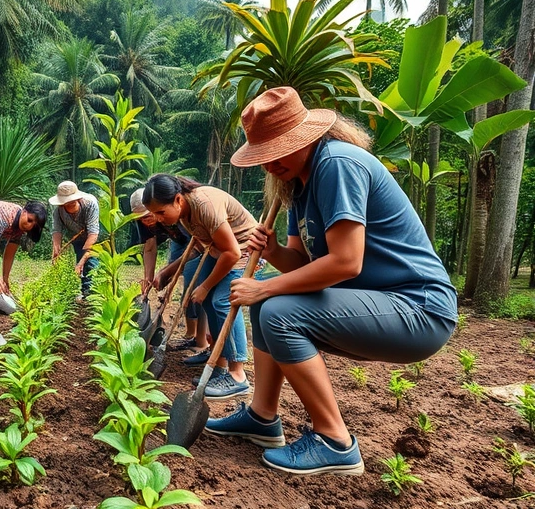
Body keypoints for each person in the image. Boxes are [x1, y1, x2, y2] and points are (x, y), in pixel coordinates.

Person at [206, 86, 457, 475]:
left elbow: (345, 263)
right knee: (268, 306)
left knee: (277, 310)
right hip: (376, 302)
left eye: (276, 152)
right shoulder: (296, 187)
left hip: (418, 308)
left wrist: (264, 286)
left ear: (304, 137)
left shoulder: (337, 164)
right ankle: (261, 417)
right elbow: (301, 266)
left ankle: (335, 442)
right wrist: (272, 251)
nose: (269, 165)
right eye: (263, 156)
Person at [142, 174, 258, 400]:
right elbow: (197, 247)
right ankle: (221, 365)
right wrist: (167, 271)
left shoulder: (204, 205)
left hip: (246, 250)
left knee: (221, 302)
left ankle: (238, 376)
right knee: (204, 300)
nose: (157, 219)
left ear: (177, 199)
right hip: (220, 251)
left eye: (160, 212)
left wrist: (205, 286)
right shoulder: (184, 213)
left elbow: (232, 252)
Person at [130, 188, 208, 352]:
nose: (146, 221)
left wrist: (167, 272)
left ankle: (201, 340)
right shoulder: (142, 220)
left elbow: (196, 248)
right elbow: (150, 247)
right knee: (169, 280)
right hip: (178, 241)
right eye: (141, 218)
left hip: (195, 241)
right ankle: (190, 335)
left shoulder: (176, 213)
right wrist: (148, 278)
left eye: (148, 216)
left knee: (192, 282)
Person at [49, 180, 99, 298]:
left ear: (78, 199)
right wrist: (56, 252)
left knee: (91, 262)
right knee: (82, 262)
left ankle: (92, 294)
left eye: (72, 202)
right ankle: (86, 292)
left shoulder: (90, 204)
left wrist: (80, 263)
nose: (69, 204)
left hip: (95, 235)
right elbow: (57, 231)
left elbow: (93, 234)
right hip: (77, 237)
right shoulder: (58, 212)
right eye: (65, 203)